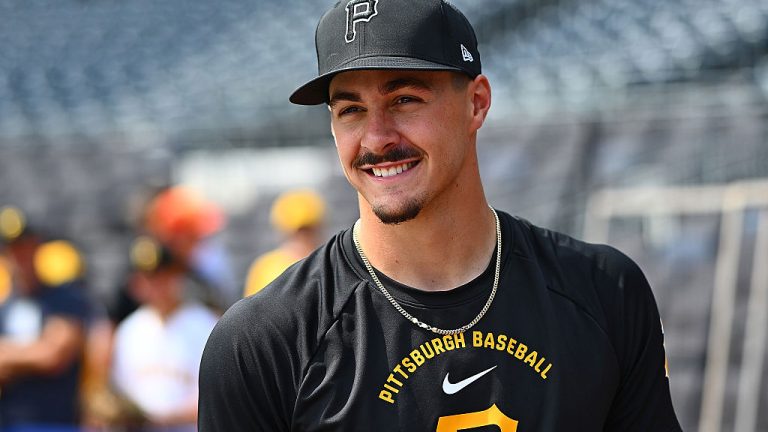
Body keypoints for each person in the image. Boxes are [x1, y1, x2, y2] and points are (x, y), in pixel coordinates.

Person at [198, 0, 682, 430]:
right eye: (350, 110)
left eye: (404, 99)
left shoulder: (604, 291)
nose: (376, 138)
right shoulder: (259, 343)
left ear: (476, 103)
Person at [109, 236, 219, 432]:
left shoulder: (205, 324)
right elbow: (121, 390)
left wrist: (166, 418)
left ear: (176, 276)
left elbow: (217, 394)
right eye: (147, 277)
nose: (154, 284)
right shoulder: (130, 329)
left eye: (161, 275)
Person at [0, 206, 92, 432]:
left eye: (25, 246)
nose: (20, 256)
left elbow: (53, 356)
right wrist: (36, 349)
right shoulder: (4, 305)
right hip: (10, 422)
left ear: (37, 246)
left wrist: (9, 355)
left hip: (58, 423)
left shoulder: (66, 299)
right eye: (13, 249)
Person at [243, 189, 326, 297]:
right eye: (298, 233)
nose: (303, 239)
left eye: (308, 231)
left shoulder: (329, 265)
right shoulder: (266, 268)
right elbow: (253, 311)